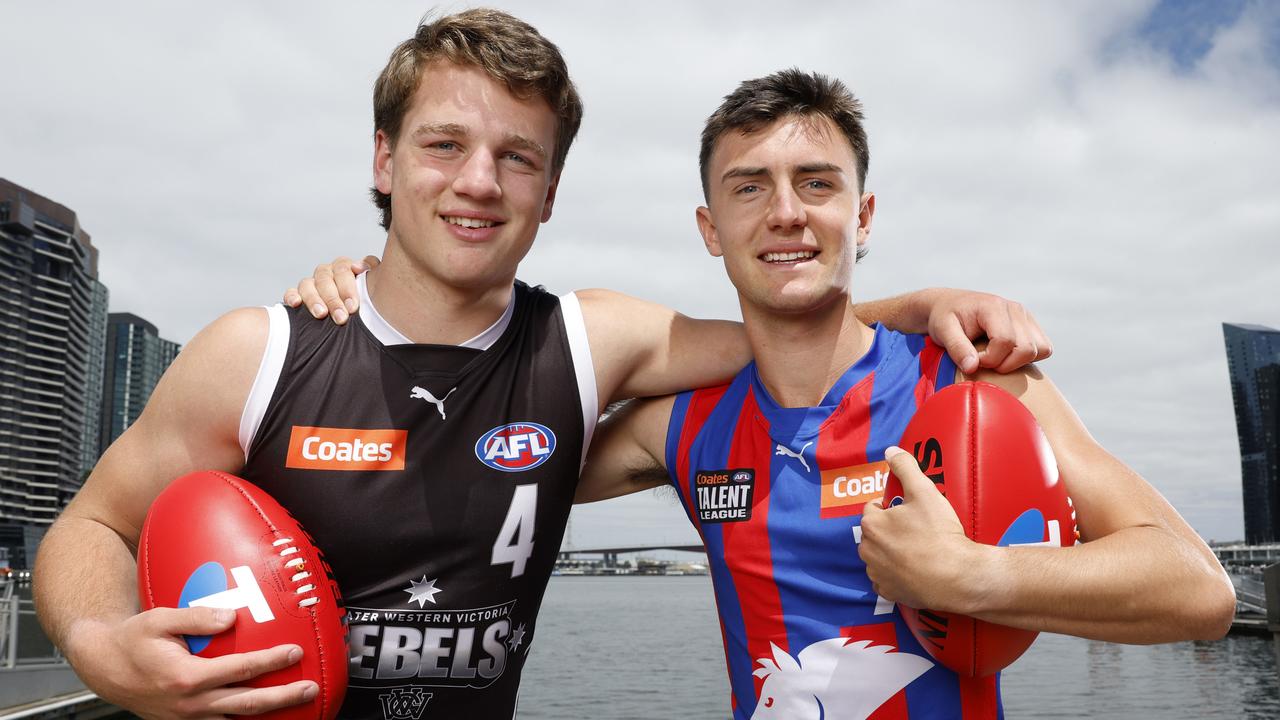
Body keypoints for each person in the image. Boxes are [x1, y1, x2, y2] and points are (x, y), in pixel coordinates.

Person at [35, 10, 1049, 720]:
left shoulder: (591, 342)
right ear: (383, 161)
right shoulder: (257, 354)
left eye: (517, 157)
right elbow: (92, 522)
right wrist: (99, 648)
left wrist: (917, 307)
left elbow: (790, 327)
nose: (478, 182)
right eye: (443, 145)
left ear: (549, 192)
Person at [567, 71, 1236, 717]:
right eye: (748, 188)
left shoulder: (973, 381)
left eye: (816, 183)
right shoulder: (683, 426)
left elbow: (1198, 590)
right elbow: (503, 467)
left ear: (862, 217)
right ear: (711, 229)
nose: (786, 212)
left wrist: (974, 576)